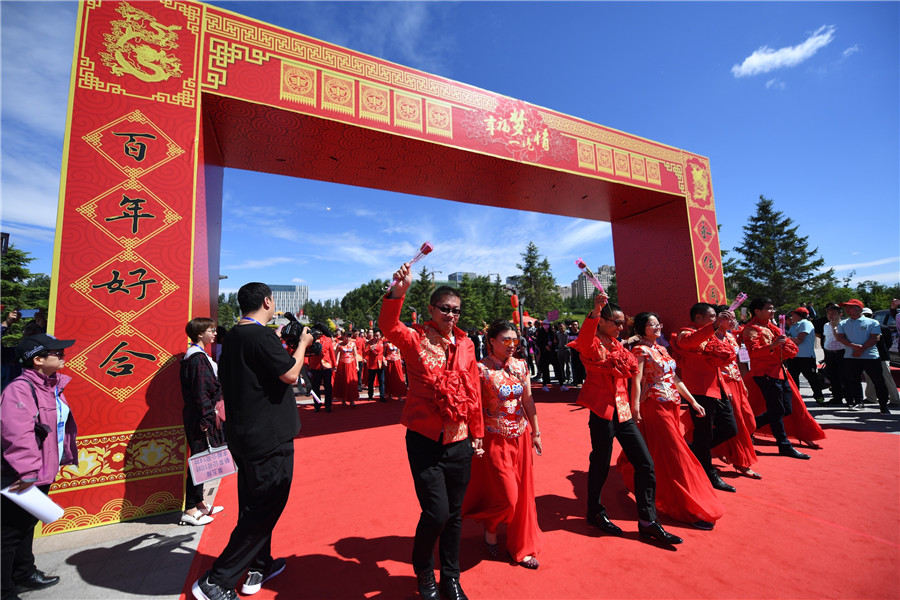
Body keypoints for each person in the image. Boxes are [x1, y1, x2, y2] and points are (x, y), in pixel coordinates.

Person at [192, 282, 313, 600]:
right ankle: (218, 579)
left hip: (244, 436)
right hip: (268, 437)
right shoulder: (258, 335)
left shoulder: (234, 335)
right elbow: (290, 374)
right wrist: (302, 344)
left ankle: (261, 562)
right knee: (265, 507)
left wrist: (283, 342)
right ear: (268, 302)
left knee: (252, 505)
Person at [379, 264, 483, 600]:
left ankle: (450, 577)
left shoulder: (467, 344)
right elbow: (388, 325)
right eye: (444, 309)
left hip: (461, 440)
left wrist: (477, 430)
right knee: (436, 512)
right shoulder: (414, 339)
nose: (451, 316)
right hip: (425, 439)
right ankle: (424, 568)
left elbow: (473, 389)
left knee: (455, 514)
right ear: (430, 310)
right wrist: (399, 290)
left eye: (456, 311)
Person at [571, 293, 683, 545]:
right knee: (600, 462)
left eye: (623, 324)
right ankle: (594, 511)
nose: (621, 327)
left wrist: (634, 407)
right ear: (601, 321)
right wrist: (596, 310)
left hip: (624, 413)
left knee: (645, 464)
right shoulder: (591, 343)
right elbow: (585, 338)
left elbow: (631, 375)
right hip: (602, 412)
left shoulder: (619, 345)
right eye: (616, 322)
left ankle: (647, 521)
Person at [617, 312, 724, 530]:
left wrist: (692, 402)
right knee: (675, 453)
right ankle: (684, 504)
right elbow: (636, 382)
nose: (657, 327)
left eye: (659, 323)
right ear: (642, 328)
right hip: (654, 406)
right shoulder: (640, 351)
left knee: (659, 450)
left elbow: (674, 378)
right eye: (652, 324)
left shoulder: (662, 350)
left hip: (672, 404)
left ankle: (638, 478)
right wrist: (634, 408)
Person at [2, 334, 78, 600]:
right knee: (9, 534)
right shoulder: (20, 389)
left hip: (41, 469)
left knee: (26, 526)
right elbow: (17, 434)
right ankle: (6, 590)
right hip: (23, 474)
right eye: (58, 352)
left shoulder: (50, 385)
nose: (63, 356)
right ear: (38, 359)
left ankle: (24, 572)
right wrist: (28, 472)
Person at [463, 320, 543, 569]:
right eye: (506, 340)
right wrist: (473, 436)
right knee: (508, 496)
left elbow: (528, 400)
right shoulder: (480, 369)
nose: (512, 345)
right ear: (491, 342)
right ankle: (490, 524)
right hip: (494, 439)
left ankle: (522, 546)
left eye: (515, 340)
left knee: (524, 496)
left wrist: (537, 431)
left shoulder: (521, 365)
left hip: (520, 435)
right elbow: (473, 407)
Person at [670, 303, 739, 492]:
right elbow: (691, 342)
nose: (714, 319)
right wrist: (715, 326)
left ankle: (694, 451)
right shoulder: (685, 333)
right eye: (711, 316)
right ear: (698, 318)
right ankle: (708, 472)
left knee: (730, 429)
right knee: (704, 432)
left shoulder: (715, 332)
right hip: (699, 390)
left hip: (719, 387)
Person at [741, 298, 810, 459]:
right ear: (757, 311)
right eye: (769, 308)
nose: (773, 311)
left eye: (773, 308)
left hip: (778, 371)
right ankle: (784, 445)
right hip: (765, 373)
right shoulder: (751, 329)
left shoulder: (770, 327)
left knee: (786, 408)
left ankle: (749, 427)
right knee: (777, 409)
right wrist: (773, 346)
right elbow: (754, 352)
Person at [180, 318, 226, 527]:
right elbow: (200, 392)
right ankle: (190, 509)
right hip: (200, 417)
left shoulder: (198, 356)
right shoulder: (197, 358)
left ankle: (199, 502)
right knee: (199, 461)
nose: (214, 333)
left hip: (201, 415)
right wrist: (208, 417)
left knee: (204, 460)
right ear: (200, 334)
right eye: (211, 330)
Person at [710, 307, 761, 479]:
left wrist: (742, 381)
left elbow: (736, 360)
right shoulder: (710, 337)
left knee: (749, 420)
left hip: (737, 382)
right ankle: (742, 462)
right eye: (728, 318)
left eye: (733, 318)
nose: (732, 321)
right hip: (723, 383)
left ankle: (723, 448)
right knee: (738, 422)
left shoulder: (731, 336)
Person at [836, 299, 891, 414]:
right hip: (851, 357)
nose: (847, 310)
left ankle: (883, 405)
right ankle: (858, 402)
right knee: (853, 380)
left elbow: (875, 338)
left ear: (859, 309)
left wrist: (861, 349)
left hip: (870, 357)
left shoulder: (872, 322)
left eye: (850, 307)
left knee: (878, 381)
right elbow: (840, 337)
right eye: (846, 307)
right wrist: (852, 346)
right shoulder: (843, 323)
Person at [785, 308, 826, 403]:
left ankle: (819, 397)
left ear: (799, 315)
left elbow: (799, 340)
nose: (792, 317)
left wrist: (787, 339)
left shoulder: (805, 323)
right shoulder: (794, 325)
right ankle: (795, 399)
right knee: (793, 378)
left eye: (793, 314)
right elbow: (790, 338)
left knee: (812, 378)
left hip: (806, 356)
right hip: (794, 356)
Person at [814, 303, 846, 405]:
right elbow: (825, 338)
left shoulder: (844, 324)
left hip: (842, 353)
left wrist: (834, 327)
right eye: (829, 313)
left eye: (833, 313)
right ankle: (837, 397)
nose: (830, 315)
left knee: (844, 376)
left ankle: (850, 397)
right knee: (833, 376)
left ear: (840, 314)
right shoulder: (826, 325)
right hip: (829, 353)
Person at [307, 324, 335, 413]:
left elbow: (331, 352)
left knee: (328, 387)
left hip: (326, 366)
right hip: (315, 366)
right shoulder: (311, 339)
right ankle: (317, 405)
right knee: (315, 387)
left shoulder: (327, 339)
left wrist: (334, 365)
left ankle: (328, 405)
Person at [333, 330, 360, 407]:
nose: (347, 338)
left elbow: (355, 355)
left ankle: (352, 400)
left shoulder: (353, 344)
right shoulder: (339, 345)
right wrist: (336, 363)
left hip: (351, 364)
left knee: (351, 382)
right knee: (343, 381)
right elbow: (337, 355)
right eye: (346, 336)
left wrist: (357, 365)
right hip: (342, 365)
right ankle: (343, 399)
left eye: (349, 336)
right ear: (343, 336)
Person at [366, 329, 386, 402]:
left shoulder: (383, 342)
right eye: (375, 335)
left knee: (382, 381)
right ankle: (370, 395)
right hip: (372, 364)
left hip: (380, 364)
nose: (376, 337)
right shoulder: (369, 343)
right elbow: (365, 352)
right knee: (371, 381)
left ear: (380, 335)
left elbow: (385, 352)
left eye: (378, 335)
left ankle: (382, 396)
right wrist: (370, 350)